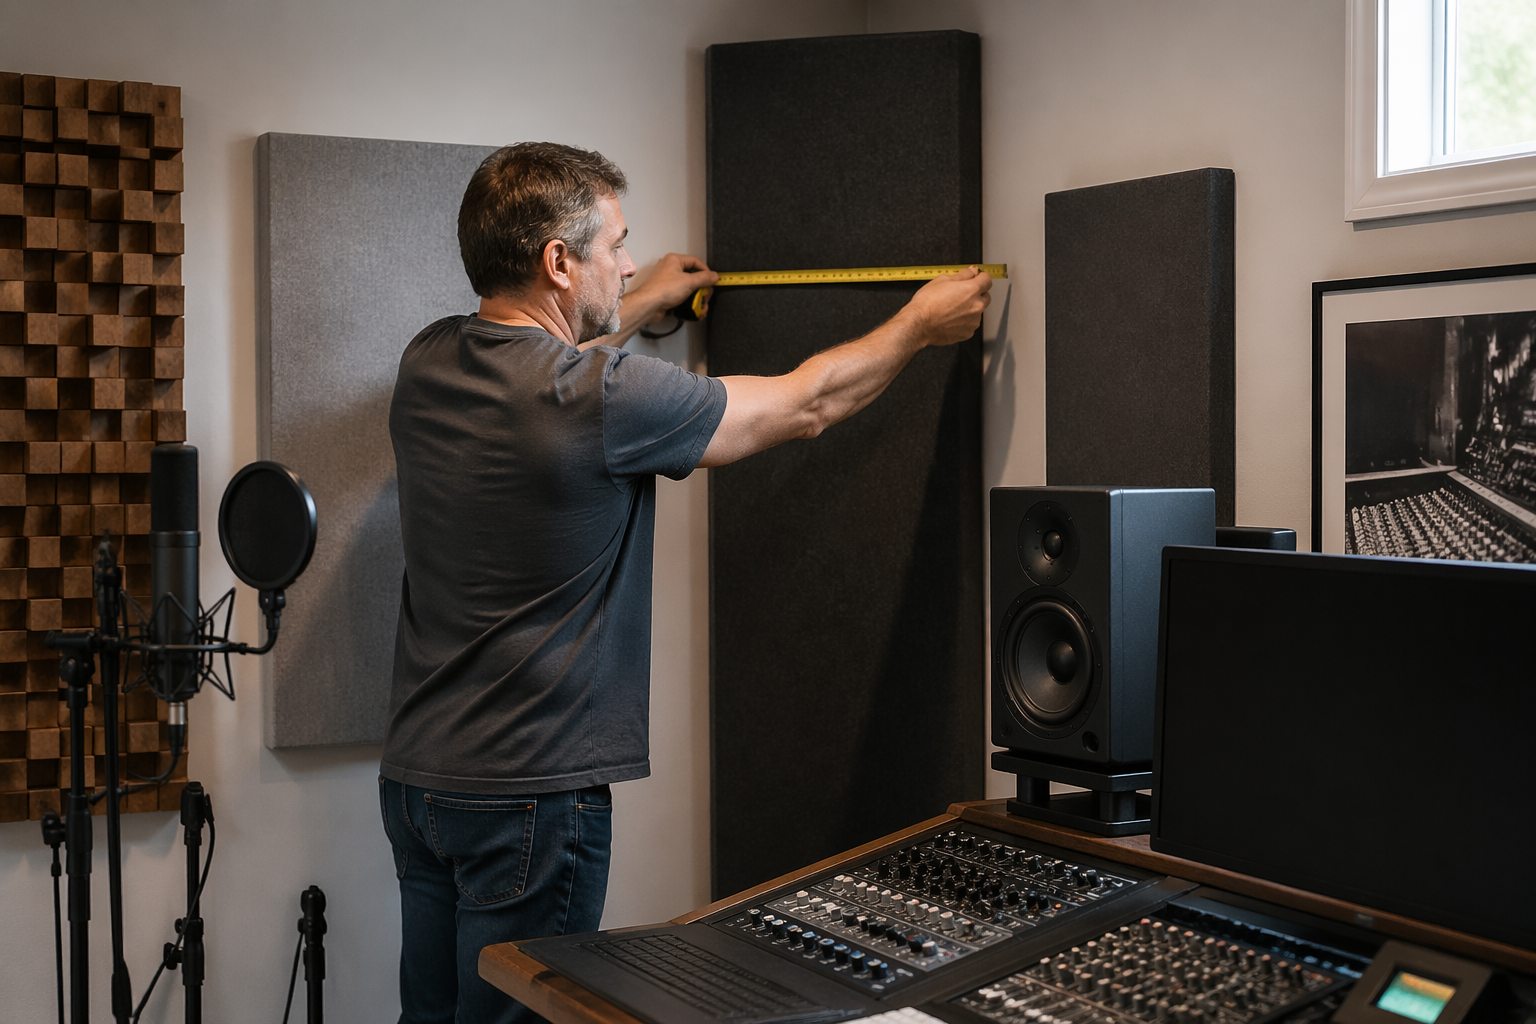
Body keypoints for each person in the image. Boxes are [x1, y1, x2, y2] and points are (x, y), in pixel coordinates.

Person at [379, 141, 991, 1024]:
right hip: (532, 800)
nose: (630, 266)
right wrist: (917, 326)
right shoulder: (605, 398)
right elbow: (806, 403)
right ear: (558, 262)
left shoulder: (426, 360)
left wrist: (638, 304)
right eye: (617, 247)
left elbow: (555, 379)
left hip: (420, 785)